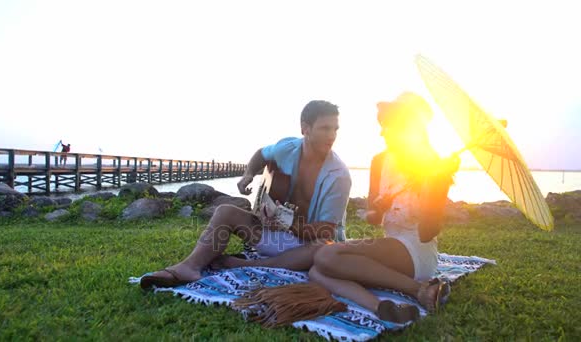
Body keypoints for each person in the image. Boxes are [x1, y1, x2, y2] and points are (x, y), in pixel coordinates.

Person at [140, 100, 352, 289]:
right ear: (305, 128)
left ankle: (248, 264)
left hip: (307, 249)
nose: (332, 135)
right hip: (276, 237)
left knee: (324, 247)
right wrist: (248, 175)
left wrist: (285, 223)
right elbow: (261, 154)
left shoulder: (339, 176)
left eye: (335, 129)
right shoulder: (286, 148)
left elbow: (325, 231)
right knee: (225, 211)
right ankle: (190, 266)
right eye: (325, 128)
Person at [304, 92, 460, 323]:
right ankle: (380, 307)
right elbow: (373, 220)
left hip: (416, 251)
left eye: (389, 125)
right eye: (383, 124)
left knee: (326, 254)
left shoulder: (432, 167)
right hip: (392, 248)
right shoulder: (379, 162)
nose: (382, 131)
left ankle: (417, 289)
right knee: (317, 270)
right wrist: (378, 209)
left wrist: (434, 187)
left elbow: (427, 233)